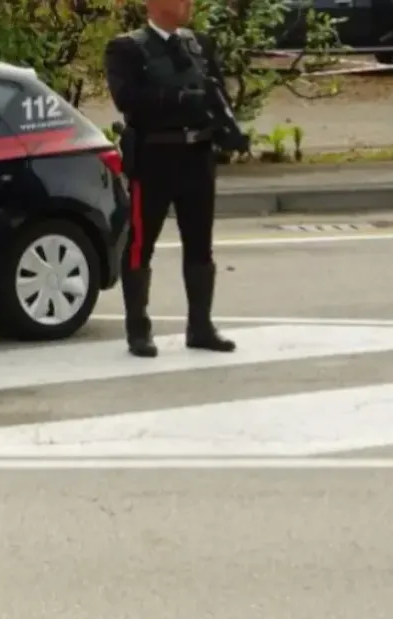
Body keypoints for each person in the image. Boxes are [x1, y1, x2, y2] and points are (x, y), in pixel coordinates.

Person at [103, 0, 242, 358]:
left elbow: (218, 96)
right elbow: (128, 99)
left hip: (196, 157)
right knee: (140, 244)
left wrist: (228, 130)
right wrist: (178, 98)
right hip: (154, 157)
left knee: (200, 243)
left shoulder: (199, 45)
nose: (187, 5)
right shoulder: (127, 48)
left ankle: (200, 325)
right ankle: (138, 329)